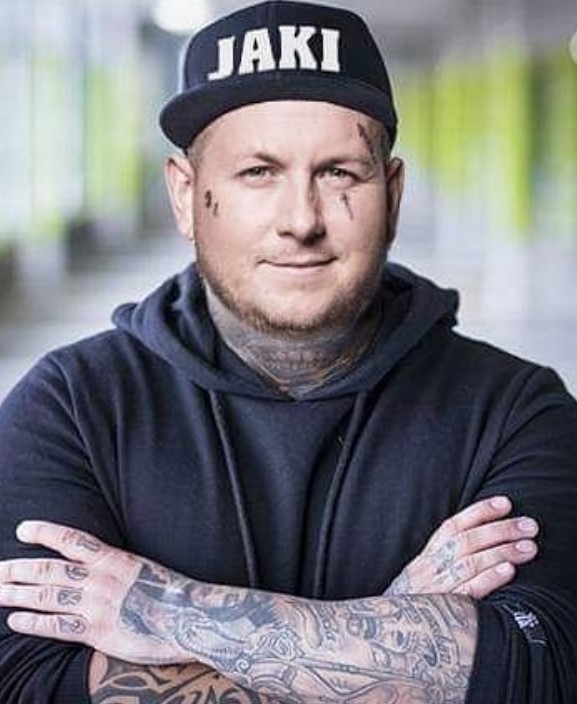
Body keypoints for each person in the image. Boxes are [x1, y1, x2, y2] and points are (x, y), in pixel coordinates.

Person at [0, 1, 576, 702]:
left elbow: (542, 669)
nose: (301, 220)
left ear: (392, 195)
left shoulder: (515, 410)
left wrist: (169, 609)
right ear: (186, 195)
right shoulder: (70, 407)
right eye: (258, 173)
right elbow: (29, 682)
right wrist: (397, 637)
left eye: (339, 173)